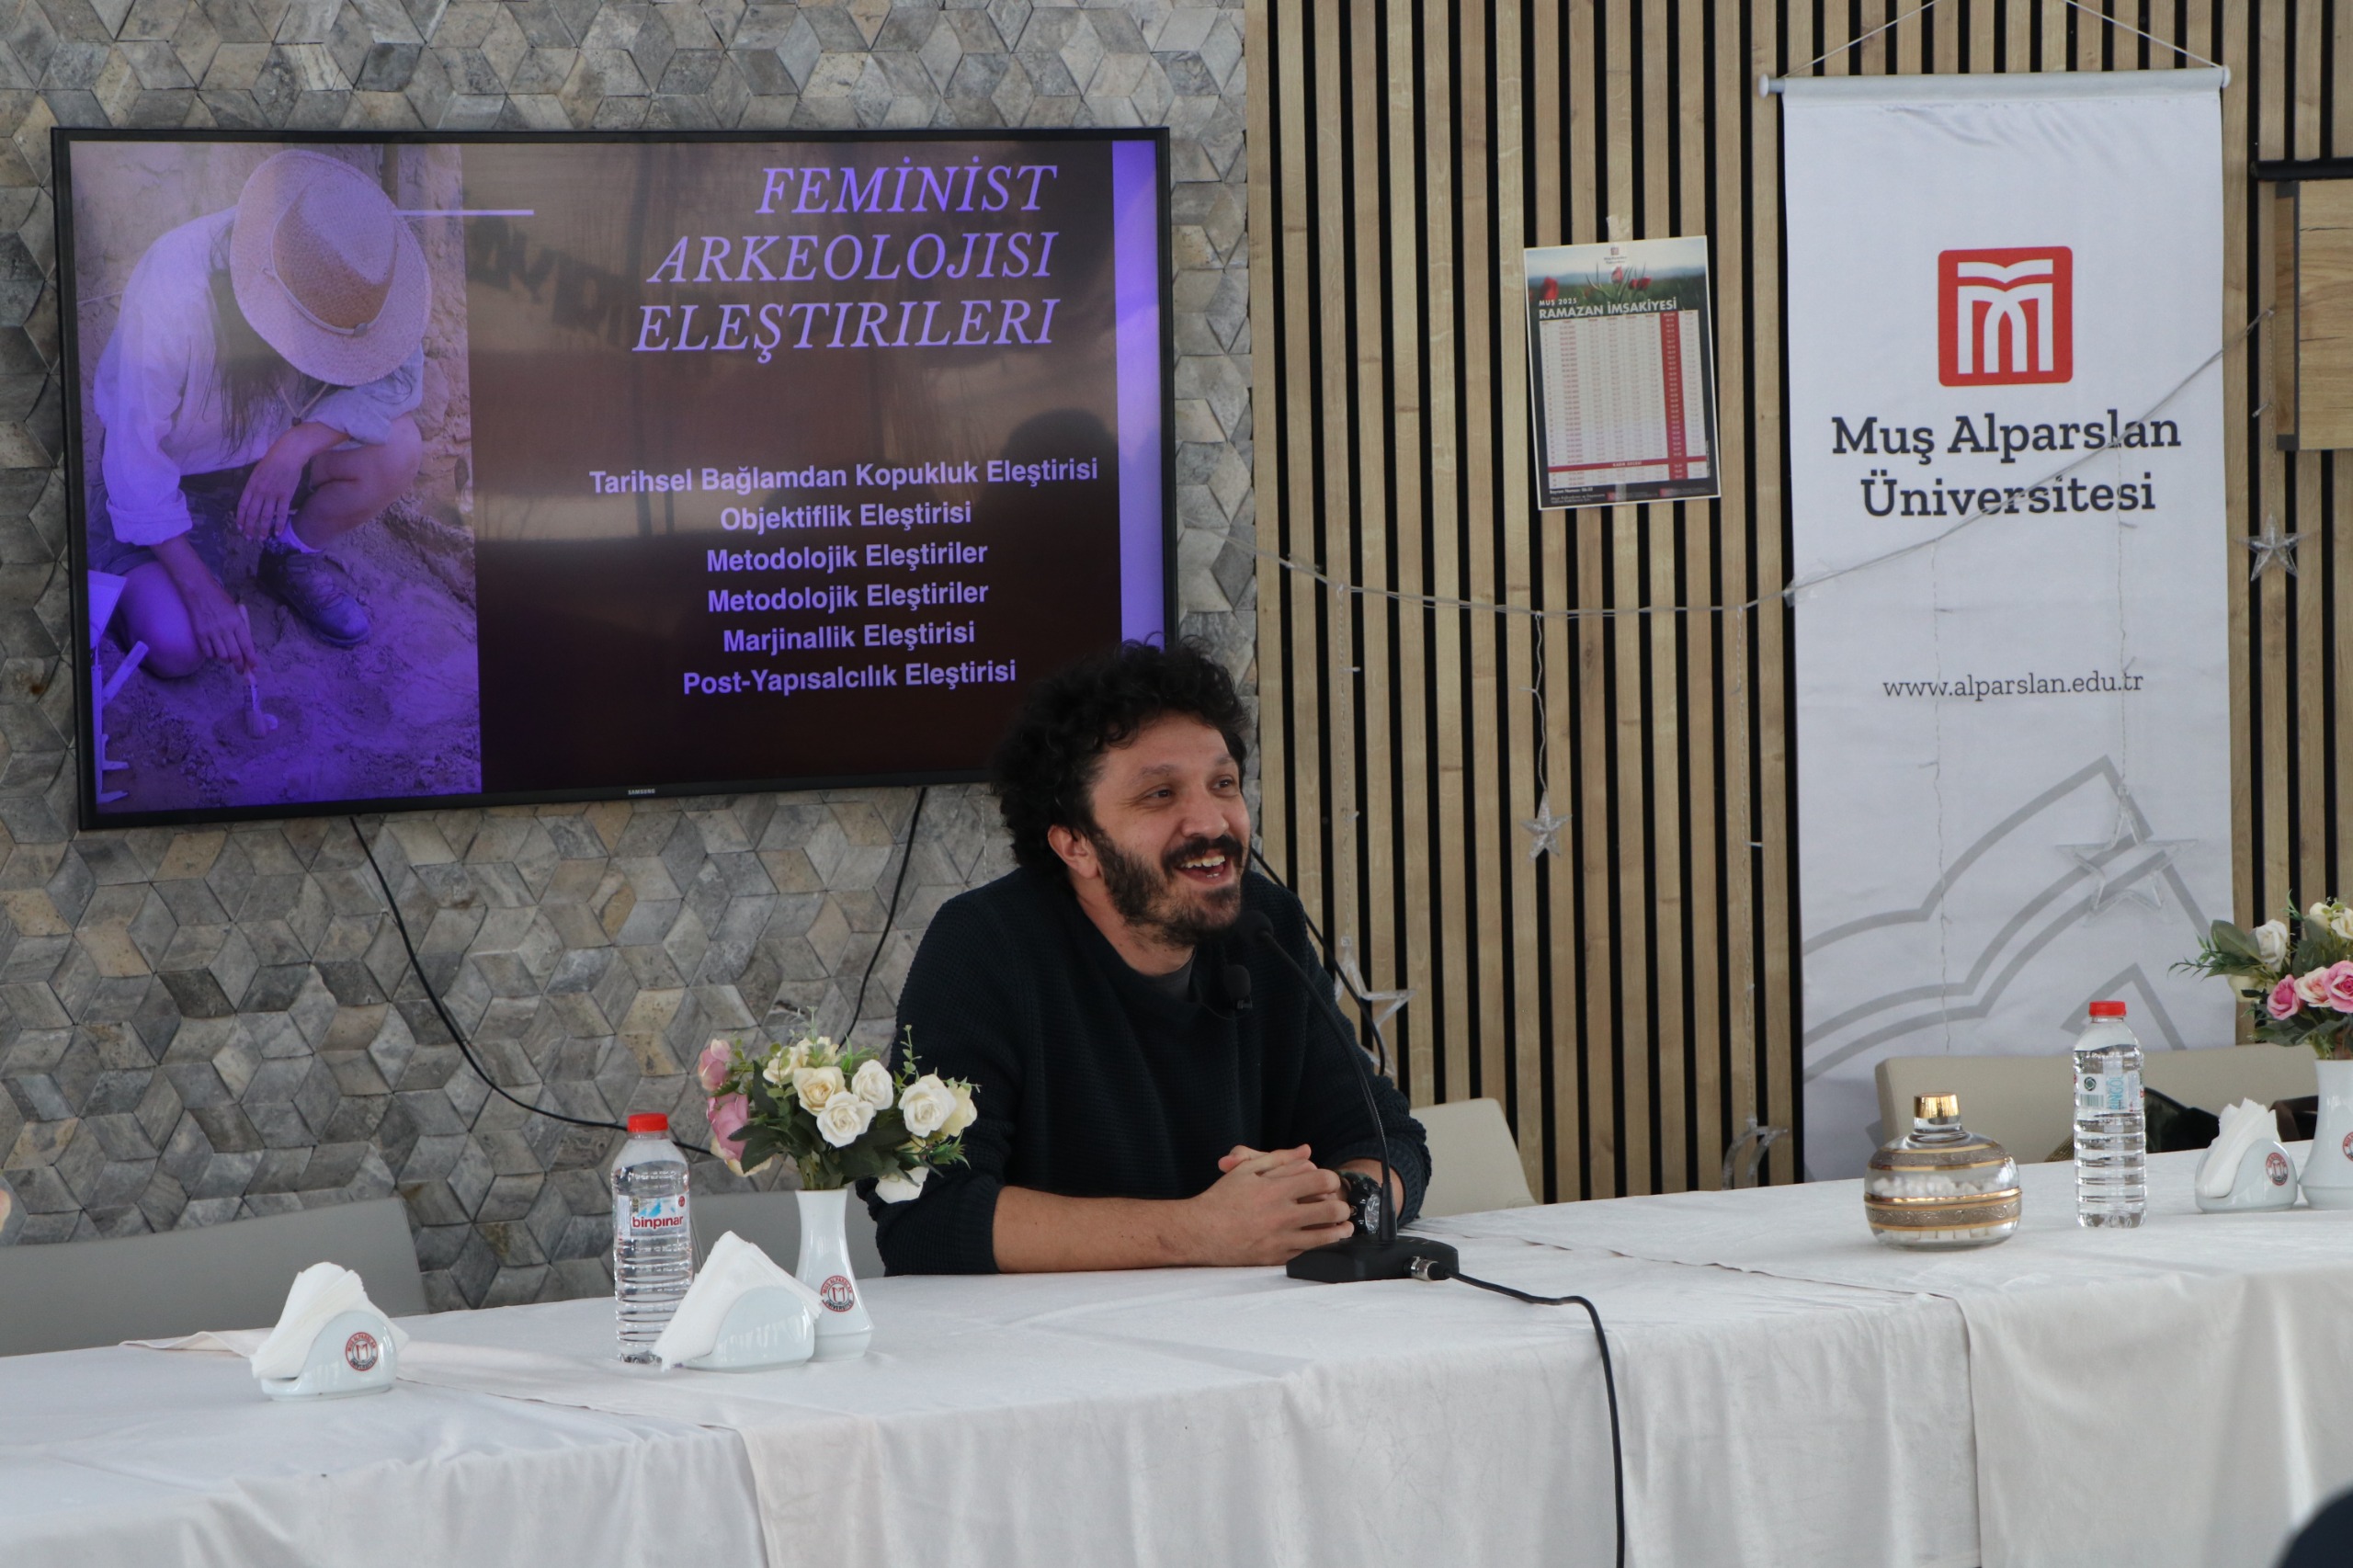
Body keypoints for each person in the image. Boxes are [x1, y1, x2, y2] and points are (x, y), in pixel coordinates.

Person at [870, 640, 1431, 1274]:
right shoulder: (983, 945)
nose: (1210, 822)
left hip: (1248, 1320)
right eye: (1160, 794)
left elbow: (1388, 1138)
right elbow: (924, 1213)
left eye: (1223, 784)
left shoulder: (1264, 925)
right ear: (1076, 845)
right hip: (1051, 1333)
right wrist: (1196, 1232)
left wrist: (1342, 1202)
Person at [89, 148, 429, 676]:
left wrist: (295, 447)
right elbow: (133, 458)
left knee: (400, 448)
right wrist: (202, 593)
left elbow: (401, 380)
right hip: (183, 475)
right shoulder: (175, 290)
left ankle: (288, 556)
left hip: (280, 452)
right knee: (175, 645)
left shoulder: (357, 275)